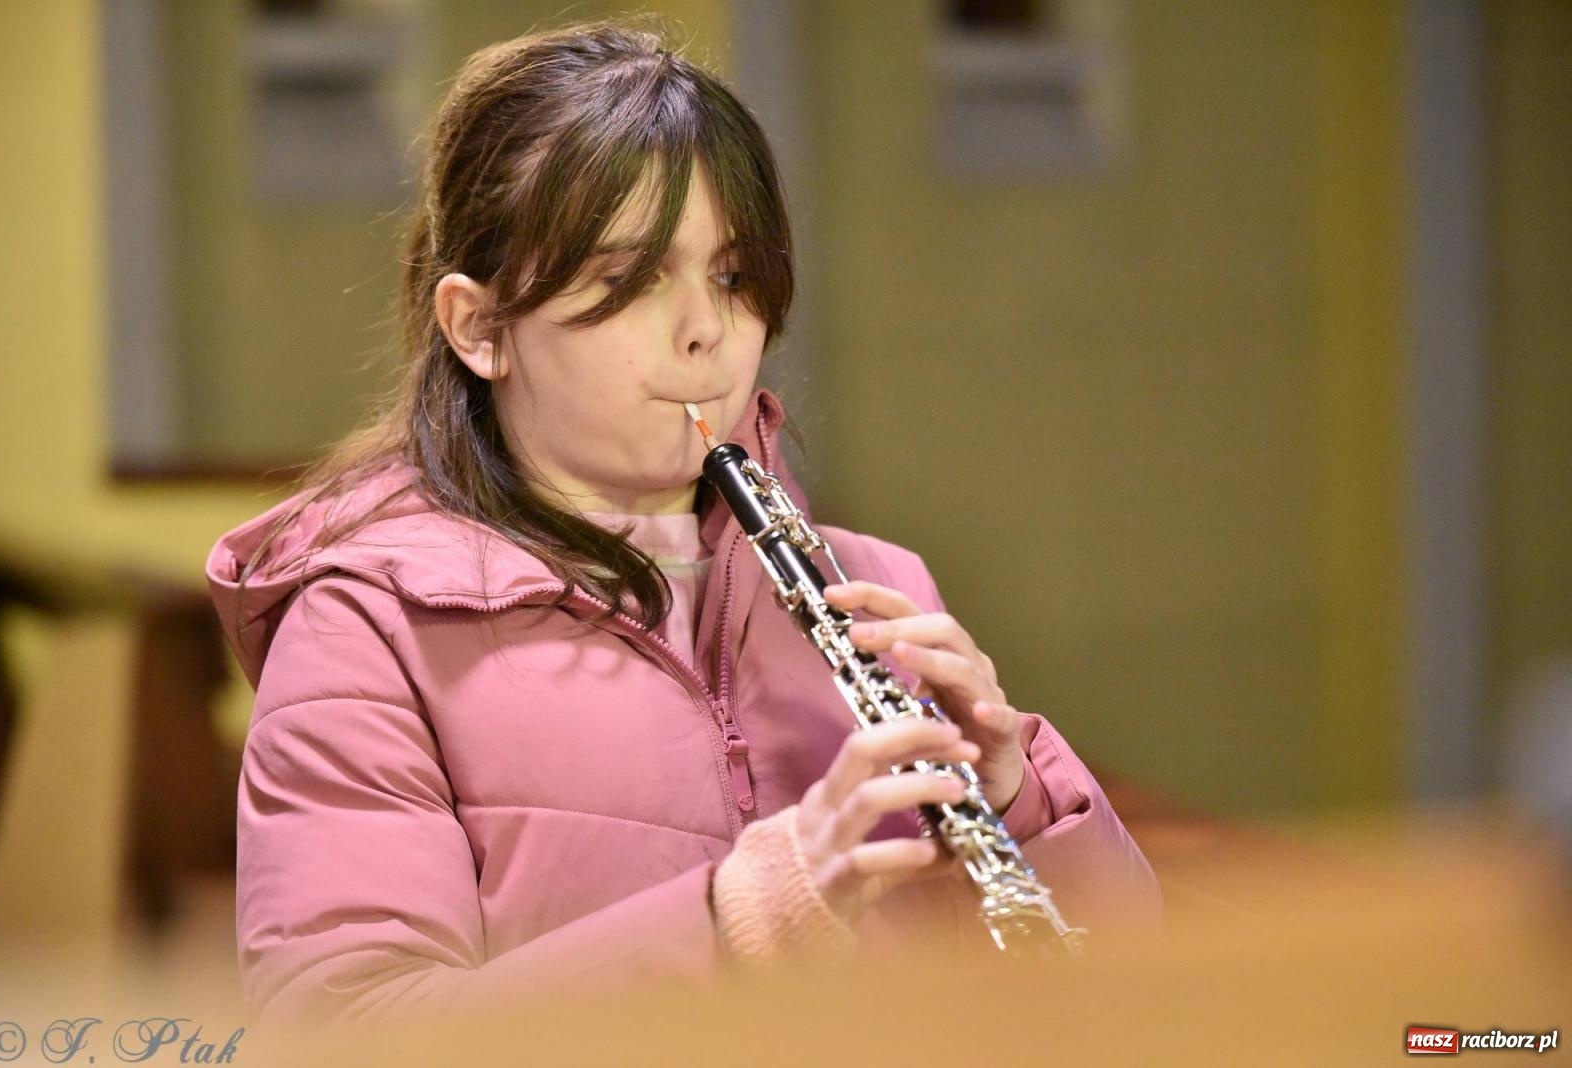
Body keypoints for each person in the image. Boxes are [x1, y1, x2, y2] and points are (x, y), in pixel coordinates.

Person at [206, 17, 1161, 1029]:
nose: (706, 329)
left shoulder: (876, 587)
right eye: (629, 281)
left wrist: (1018, 797)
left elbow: (1122, 1003)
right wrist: (739, 919)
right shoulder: (366, 631)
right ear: (478, 329)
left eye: (734, 276)